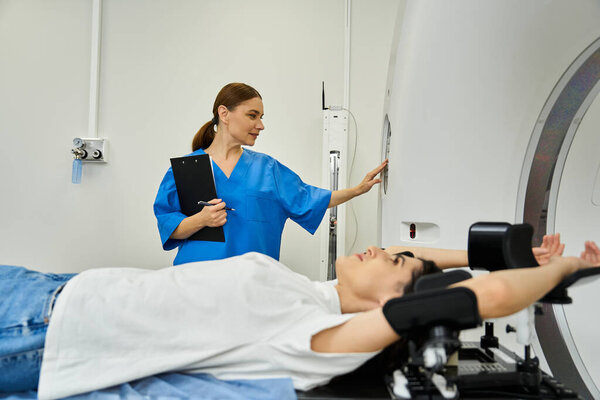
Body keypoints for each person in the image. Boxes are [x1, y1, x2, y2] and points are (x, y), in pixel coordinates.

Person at [1, 237, 598, 399]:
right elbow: (415, 262)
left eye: (392, 261)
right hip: (50, 289)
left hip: (38, 334)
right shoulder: (314, 292)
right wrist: (500, 251)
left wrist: (563, 270)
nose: (381, 248)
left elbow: (467, 300)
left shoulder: (315, 338)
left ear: (395, 305)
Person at [154, 82, 387, 265]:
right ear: (224, 114)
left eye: (261, 117)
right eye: (252, 115)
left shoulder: (267, 169)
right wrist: (201, 220)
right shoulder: (187, 169)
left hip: (253, 285)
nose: (261, 125)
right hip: (195, 282)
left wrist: (357, 190)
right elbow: (168, 226)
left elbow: (310, 198)